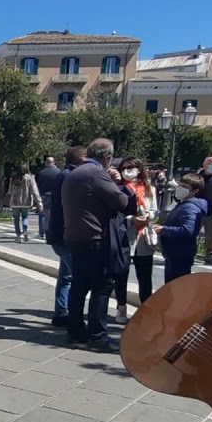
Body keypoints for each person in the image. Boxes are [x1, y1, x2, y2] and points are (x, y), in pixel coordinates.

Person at [61, 139, 136, 350]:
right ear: (108, 158)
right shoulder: (96, 172)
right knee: (102, 286)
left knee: (79, 285)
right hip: (95, 238)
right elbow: (121, 202)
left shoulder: (76, 172)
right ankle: (98, 336)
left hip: (76, 236)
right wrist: (121, 183)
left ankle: (75, 330)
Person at [46, 146, 86, 327]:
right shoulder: (71, 177)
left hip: (60, 233)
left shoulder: (63, 175)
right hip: (67, 234)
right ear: (82, 159)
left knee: (66, 275)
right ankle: (72, 318)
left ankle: (61, 312)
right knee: (78, 276)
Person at [114, 158, 155, 324]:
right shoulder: (119, 189)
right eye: (125, 168)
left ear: (140, 169)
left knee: (145, 276)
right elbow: (117, 215)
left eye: (132, 167)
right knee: (121, 275)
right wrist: (132, 219)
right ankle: (121, 308)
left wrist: (149, 216)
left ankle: (146, 308)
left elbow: (155, 210)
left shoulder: (148, 188)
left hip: (143, 237)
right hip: (125, 235)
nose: (128, 171)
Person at [154, 174, 207, 283]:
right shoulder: (184, 204)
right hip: (174, 253)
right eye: (180, 185)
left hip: (180, 253)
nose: (180, 189)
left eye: (185, 187)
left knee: (176, 287)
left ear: (195, 191)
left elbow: (188, 230)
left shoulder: (190, 207)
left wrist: (163, 229)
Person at [6, 164, 43, 244]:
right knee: (25, 217)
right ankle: (25, 231)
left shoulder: (13, 178)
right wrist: (38, 201)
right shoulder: (30, 178)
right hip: (26, 201)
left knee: (16, 219)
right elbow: (34, 190)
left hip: (15, 202)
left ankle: (18, 236)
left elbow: (10, 191)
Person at [35, 156, 61, 240]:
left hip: (43, 195)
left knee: (42, 214)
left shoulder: (41, 172)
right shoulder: (59, 172)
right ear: (53, 162)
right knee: (53, 215)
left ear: (46, 162)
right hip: (54, 195)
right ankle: (50, 232)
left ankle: (41, 233)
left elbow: (37, 184)